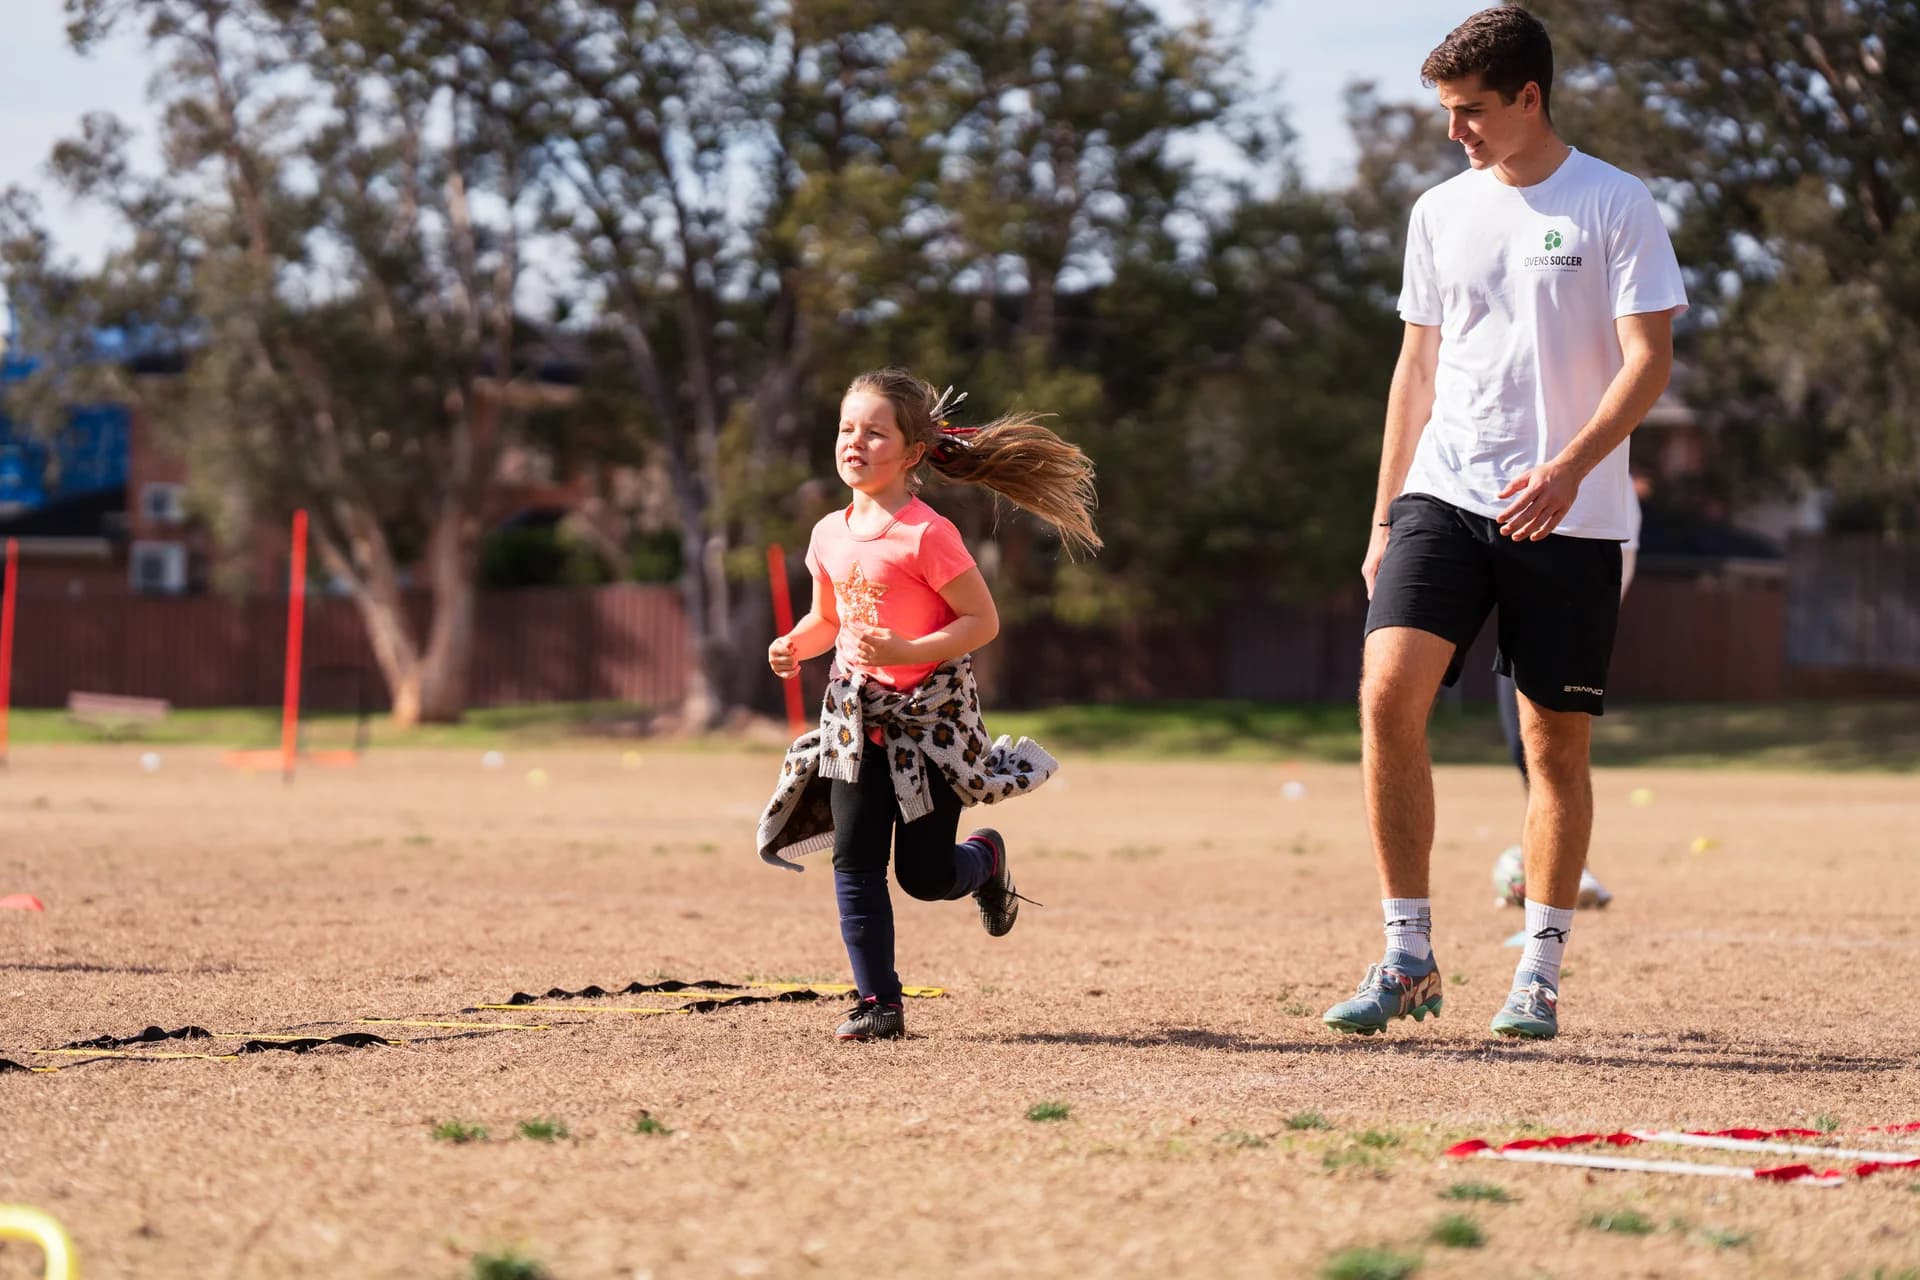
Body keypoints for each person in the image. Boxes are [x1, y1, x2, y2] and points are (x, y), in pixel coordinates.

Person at [1321, 6, 1686, 1041]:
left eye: (1472, 110)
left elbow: (1649, 361)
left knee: (1552, 744)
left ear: (1530, 96)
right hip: (1444, 493)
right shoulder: (1439, 211)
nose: (1455, 131)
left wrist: (1571, 469)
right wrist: (1384, 518)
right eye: (1447, 111)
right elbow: (1416, 370)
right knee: (1385, 695)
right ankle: (1407, 957)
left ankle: (1539, 971)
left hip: (1573, 512)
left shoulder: (1615, 201)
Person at [756, 369, 1099, 1041]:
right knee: (854, 860)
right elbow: (827, 619)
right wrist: (793, 644)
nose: (855, 443)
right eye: (846, 429)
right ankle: (878, 1003)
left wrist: (908, 647)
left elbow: (982, 621)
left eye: (874, 433)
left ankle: (986, 859)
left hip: (931, 726)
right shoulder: (827, 533)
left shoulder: (927, 535)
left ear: (913, 452)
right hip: (856, 721)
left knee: (924, 875)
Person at [1491, 488, 1639, 911]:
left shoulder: (1615, 487)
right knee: (1524, 750)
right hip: (1520, 620)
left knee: (1559, 751)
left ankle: (1573, 870)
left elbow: (1621, 561)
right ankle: (1544, 864)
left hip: (1567, 616)